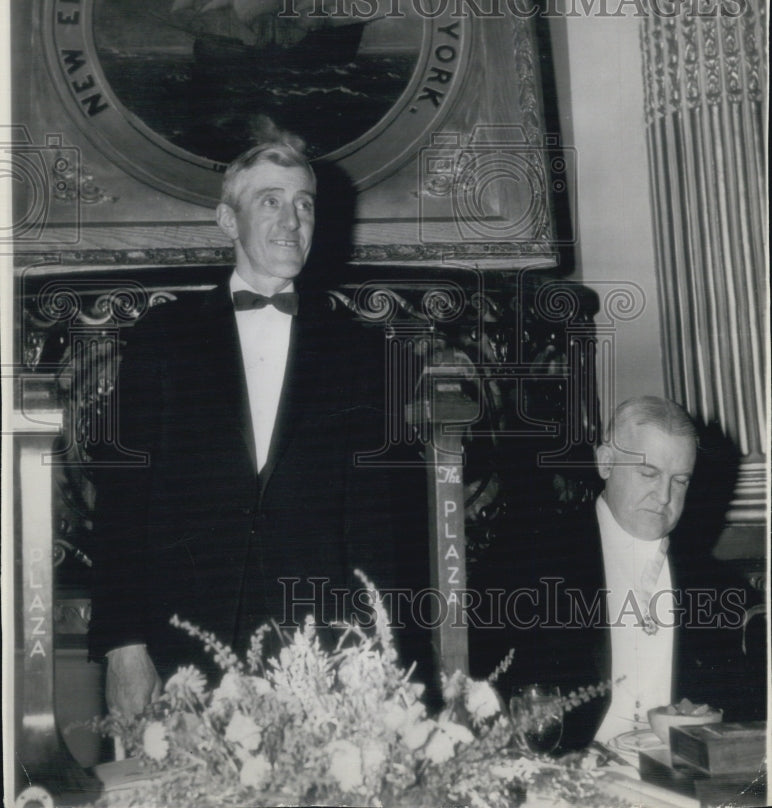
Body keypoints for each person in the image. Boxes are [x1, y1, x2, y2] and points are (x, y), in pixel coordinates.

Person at [88, 120, 427, 716]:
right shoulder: (162, 338)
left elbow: (376, 523)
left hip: (319, 656)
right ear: (228, 221)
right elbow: (122, 502)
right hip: (178, 654)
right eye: (270, 201)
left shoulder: (360, 348)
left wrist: (376, 653)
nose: (291, 221)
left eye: (304, 205)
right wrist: (123, 646)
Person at [471, 396, 759, 749]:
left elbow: (744, 714)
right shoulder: (527, 561)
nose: (664, 496)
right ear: (605, 462)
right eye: (648, 474)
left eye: (680, 481)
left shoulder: (720, 589)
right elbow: (477, 695)